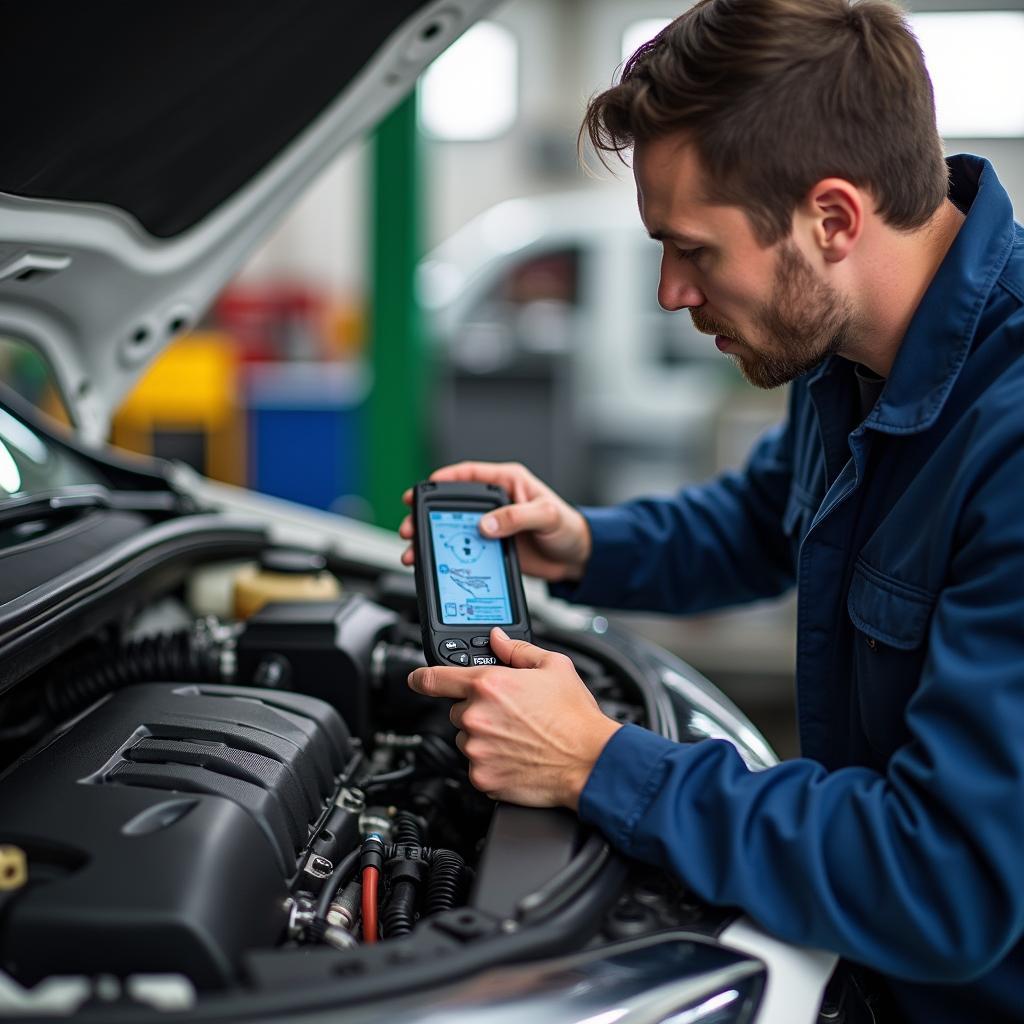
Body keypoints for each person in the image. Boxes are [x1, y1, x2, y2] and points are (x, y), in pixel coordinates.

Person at [399, 0, 1024, 1019]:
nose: (668, 293)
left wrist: (601, 762)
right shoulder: (853, 356)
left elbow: (944, 878)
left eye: (692, 250)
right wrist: (582, 541)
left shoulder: (1007, 437)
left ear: (832, 218)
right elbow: (760, 519)